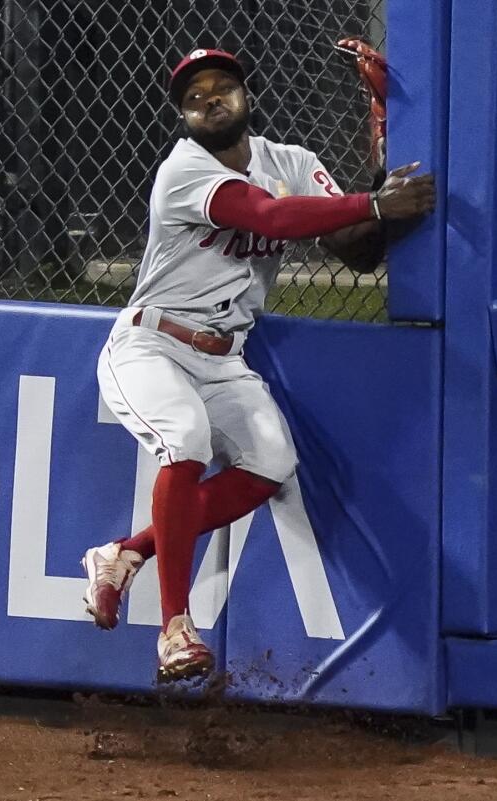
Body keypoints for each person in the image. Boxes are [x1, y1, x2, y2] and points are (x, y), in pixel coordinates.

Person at [83, 48, 435, 683]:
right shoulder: (183, 171)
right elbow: (268, 216)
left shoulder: (291, 163)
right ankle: (174, 629)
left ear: (247, 96)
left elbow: (356, 252)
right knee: (185, 440)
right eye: (195, 96)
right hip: (151, 346)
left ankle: (124, 553)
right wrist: (375, 203)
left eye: (222, 87)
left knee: (270, 466)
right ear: (185, 117)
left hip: (224, 358)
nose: (210, 98)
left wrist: (384, 133)